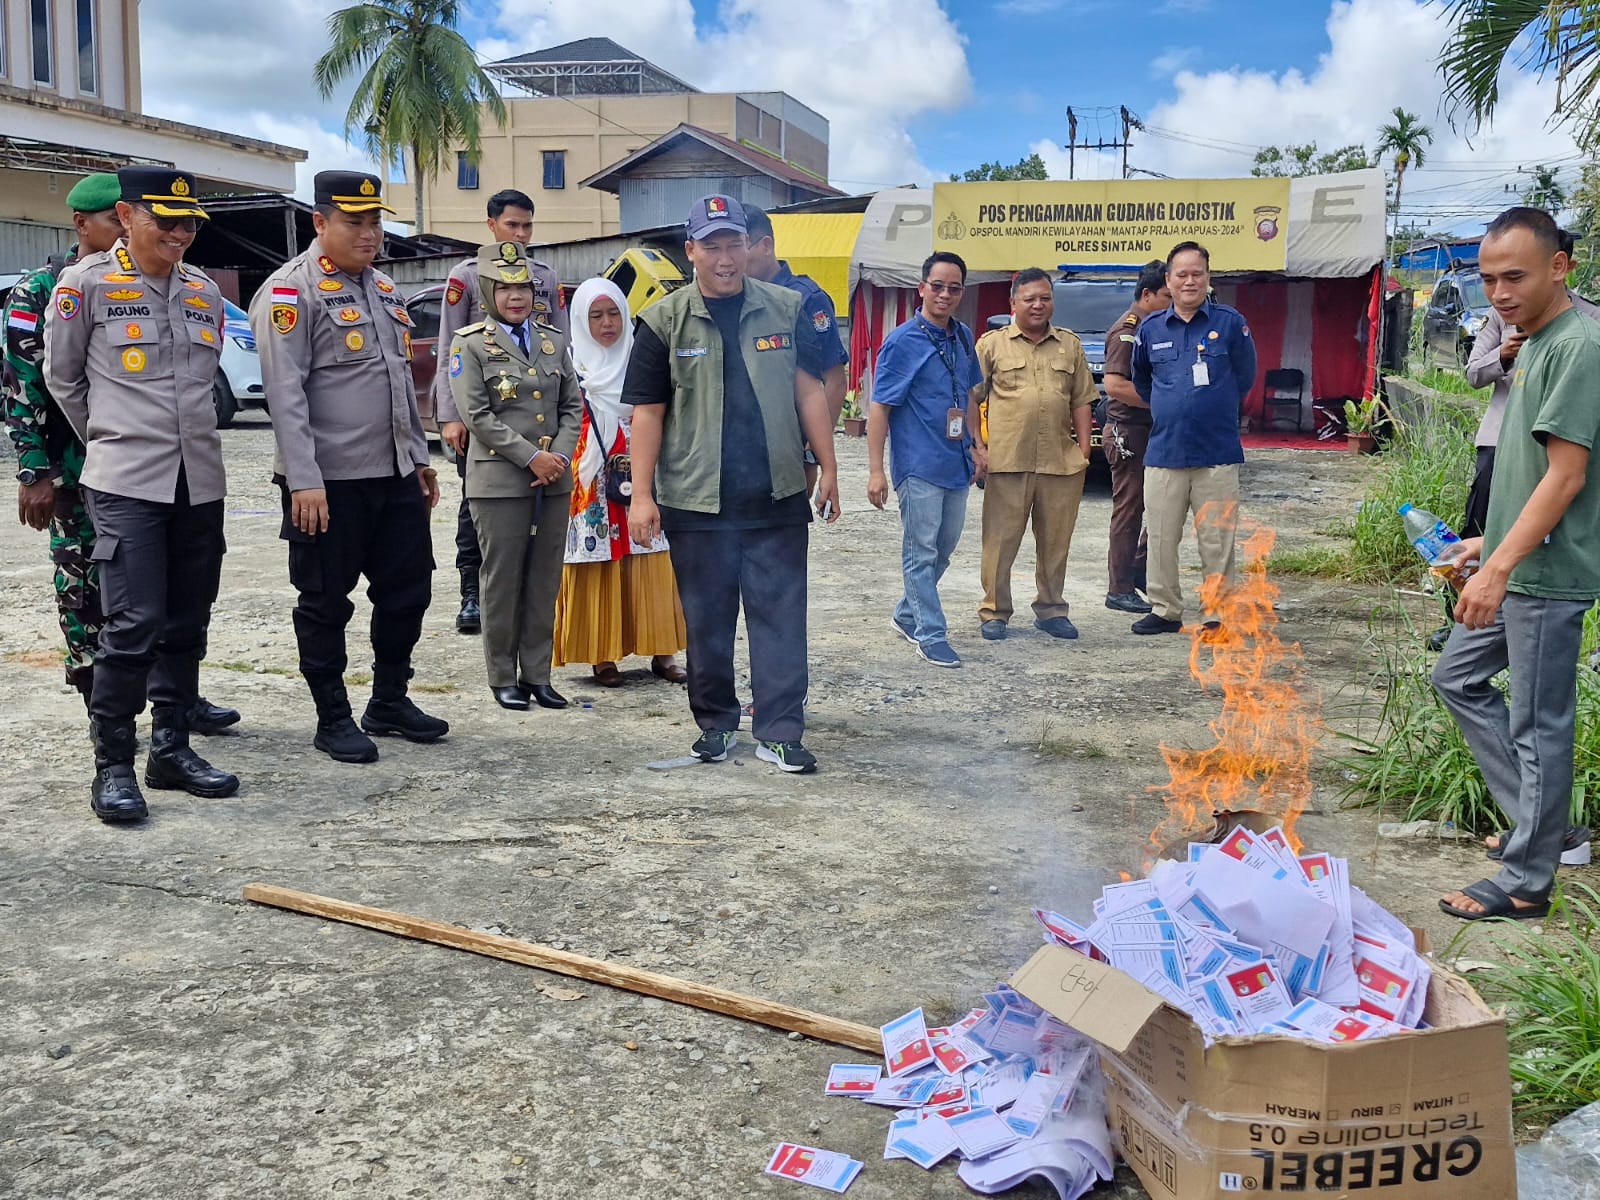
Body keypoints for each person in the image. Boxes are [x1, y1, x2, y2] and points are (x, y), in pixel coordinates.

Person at [5, 176, 240, 733]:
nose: (180, 233)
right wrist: (62, 459)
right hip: (93, 469)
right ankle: (107, 724)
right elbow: (38, 383)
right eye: (166, 221)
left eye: (190, 223)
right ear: (111, 217)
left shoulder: (200, 288)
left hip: (187, 479)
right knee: (103, 606)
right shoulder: (61, 286)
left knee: (181, 612)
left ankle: (172, 720)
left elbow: (197, 382)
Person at [623, 194, 841, 774]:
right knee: (707, 620)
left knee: (781, 617)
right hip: (696, 500)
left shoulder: (788, 307)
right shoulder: (662, 321)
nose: (725, 257)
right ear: (690, 250)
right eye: (712, 246)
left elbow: (809, 391)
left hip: (776, 494)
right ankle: (715, 724)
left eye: (734, 244)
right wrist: (641, 496)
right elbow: (647, 413)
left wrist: (829, 465)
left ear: (751, 246)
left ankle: (780, 731)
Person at [1434, 207, 1600, 922]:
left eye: (1515, 277)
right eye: (1488, 278)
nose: (1499, 293)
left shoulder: (1579, 345)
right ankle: (1543, 830)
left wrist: (1499, 566)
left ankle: (1530, 879)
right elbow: (1527, 468)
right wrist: (1485, 542)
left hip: (1547, 572)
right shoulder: (1530, 340)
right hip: (1514, 556)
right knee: (1457, 677)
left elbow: (1565, 476)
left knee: (1540, 723)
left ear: (1560, 267)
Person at [250, 170, 445, 763]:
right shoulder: (291, 292)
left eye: (375, 222)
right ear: (320, 222)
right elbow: (284, 396)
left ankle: (387, 699)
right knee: (325, 599)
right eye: (354, 222)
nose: (368, 234)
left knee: (408, 591)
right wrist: (304, 480)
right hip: (327, 482)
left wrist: (417, 457)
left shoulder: (383, 289)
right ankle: (332, 714)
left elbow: (395, 383)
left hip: (393, 474)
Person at [447, 241, 583, 710]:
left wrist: (559, 459)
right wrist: (532, 458)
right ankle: (503, 675)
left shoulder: (554, 341)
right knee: (502, 580)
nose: (516, 297)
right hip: (500, 482)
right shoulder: (468, 344)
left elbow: (571, 406)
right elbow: (477, 415)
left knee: (544, 579)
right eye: (504, 289)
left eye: (522, 286)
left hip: (554, 480)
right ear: (488, 293)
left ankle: (538, 675)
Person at [433, 189, 567, 636]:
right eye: (512, 225)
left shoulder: (544, 277)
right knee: (479, 506)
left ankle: (531, 599)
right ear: (491, 224)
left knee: (539, 511)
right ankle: (473, 591)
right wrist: (450, 415)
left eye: (527, 225)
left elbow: (560, 344)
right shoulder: (466, 276)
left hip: (539, 423)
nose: (522, 233)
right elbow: (449, 344)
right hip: (485, 418)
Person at [551, 278, 687, 688]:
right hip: (591, 483)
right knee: (599, 560)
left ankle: (663, 651)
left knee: (653, 556)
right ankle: (602, 655)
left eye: (614, 314)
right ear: (580, 320)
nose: (607, 323)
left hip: (642, 471)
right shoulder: (571, 365)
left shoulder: (642, 357)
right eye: (596, 315)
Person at [1129, 241, 1257, 635]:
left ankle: (1216, 613)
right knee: (1162, 539)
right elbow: (1143, 382)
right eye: (1180, 274)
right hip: (1165, 451)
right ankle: (1165, 610)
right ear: (1168, 280)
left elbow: (1246, 376)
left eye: (1196, 273)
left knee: (1216, 541)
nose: (1189, 281)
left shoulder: (1230, 323)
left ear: (1208, 277)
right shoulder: (1150, 329)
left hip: (1216, 453)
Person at [867, 251, 982, 668]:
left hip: (955, 463)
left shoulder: (963, 336)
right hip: (917, 465)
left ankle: (905, 613)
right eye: (937, 286)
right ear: (921, 288)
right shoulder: (903, 341)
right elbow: (879, 407)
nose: (945, 295)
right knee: (920, 551)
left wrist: (976, 444)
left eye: (953, 288)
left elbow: (968, 393)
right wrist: (876, 470)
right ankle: (931, 634)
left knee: (944, 550)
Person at [970, 267, 1097, 641]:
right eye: (1030, 299)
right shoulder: (991, 345)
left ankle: (1051, 609)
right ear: (1013, 303)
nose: (1038, 305)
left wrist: (1085, 449)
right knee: (999, 542)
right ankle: (995, 611)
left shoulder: (1069, 345)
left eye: (1045, 297)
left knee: (1056, 543)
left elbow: (1082, 399)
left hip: (1060, 462)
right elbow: (970, 396)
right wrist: (978, 446)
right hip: (1007, 461)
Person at [743, 204, 850, 493]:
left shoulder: (804, 299)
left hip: (790, 452)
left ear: (765, 245)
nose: (730, 260)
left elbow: (835, 382)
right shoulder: (734, 297)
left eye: (739, 247)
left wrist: (811, 450)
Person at [1100, 260, 1172, 615]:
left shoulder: (1153, 328)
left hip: (1153, 431)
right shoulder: (1127, 331)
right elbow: (1114, 385)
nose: (1171, 304)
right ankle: (1119, 588)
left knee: (1162, 505)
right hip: (1130, 431)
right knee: (1129, 511)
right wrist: (1165, 400)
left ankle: (1139, 570)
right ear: (1147, 295)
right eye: (1166, 297)